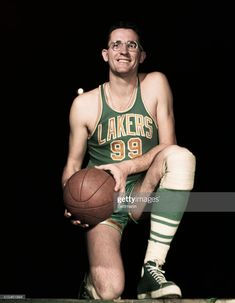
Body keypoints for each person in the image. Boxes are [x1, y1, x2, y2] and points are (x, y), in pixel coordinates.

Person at [62, 20, 196, 300]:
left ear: (141, 55)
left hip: (141, 193)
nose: (123, 50)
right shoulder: (84, 104)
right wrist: (72, 203)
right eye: (116, 44)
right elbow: (73, 165)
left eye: (131, 44)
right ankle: (91, 283)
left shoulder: (155, 84)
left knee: (181, 157)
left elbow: (167, 145)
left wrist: (126, 167)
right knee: (110, 291)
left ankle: (152, 268)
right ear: (105, 54)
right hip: (103, 201)